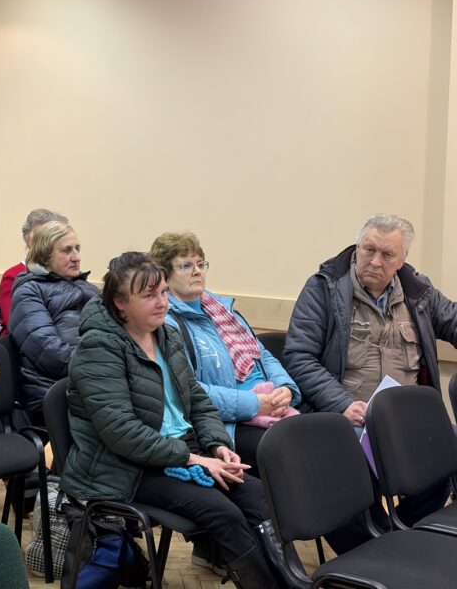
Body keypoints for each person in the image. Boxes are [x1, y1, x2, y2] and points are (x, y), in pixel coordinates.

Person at [60, 252, 281, 589]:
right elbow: (122, 433)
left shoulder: (167, 335)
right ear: (120, 303)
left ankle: (288, 581)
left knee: (259, 498)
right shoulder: (98, 347)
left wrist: (217, 445)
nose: (162, 302)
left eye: (163, 291)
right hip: (125, 468)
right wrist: (197, 460)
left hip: (179, 451)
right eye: (149, 295)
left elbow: (198, 401)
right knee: (223, 514)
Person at [284, 213, 453, 552]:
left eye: (387, 254)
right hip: (345, 420)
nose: (375, 261)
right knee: (347, 480)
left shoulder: (418, 293)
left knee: (447, 454)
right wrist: (342, 403)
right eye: (368, 249)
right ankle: (370, 554)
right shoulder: (325, 288)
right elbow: (299, 358)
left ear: (402, 260)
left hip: (403, 423)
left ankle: (399, 544)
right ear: (357, 247)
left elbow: (453, 320)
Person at [150, 231, 301, 474]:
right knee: (292, 452)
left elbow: (263, 356)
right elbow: (189, 391)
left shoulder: (221, 309)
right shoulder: (168, 324)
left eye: (200, 264)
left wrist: (285, 388)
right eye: (186, 266)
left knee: (321, 439)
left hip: (270, 405)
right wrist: (254, 404)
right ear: (165, 276)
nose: (197, 271)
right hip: (228, 422)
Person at [9, 220, 99, 426]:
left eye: (77, 248)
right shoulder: (29, 291)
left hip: (91, 381)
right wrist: (102, 365)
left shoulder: (87, 287)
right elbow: (50, 353)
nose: (76, 257)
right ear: (45, 255)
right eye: (67, 250)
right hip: (54, 390)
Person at [0, 208, 68, 334]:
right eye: (40, 235)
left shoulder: (65, 274)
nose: (45, 241)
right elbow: (17, 325)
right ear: (27, 239)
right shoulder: (13, 276)